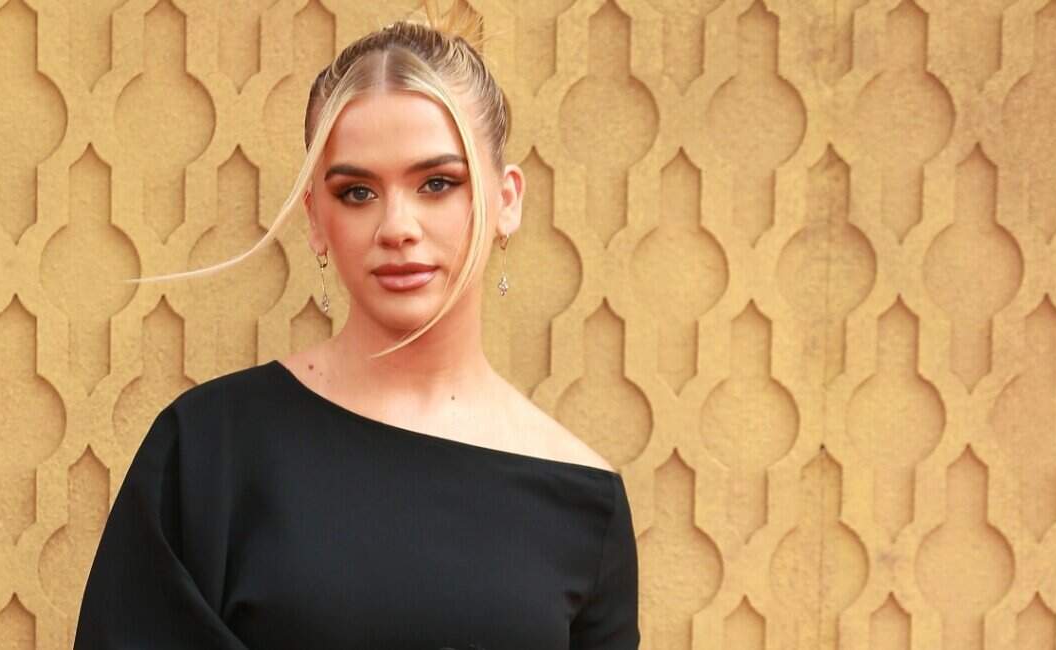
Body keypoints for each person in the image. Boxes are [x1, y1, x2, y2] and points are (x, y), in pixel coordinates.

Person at [73, 2, 639, 647]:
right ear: (316, 217)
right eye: (358, 192)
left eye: (437, 183)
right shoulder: (208, 449)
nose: (397, 227)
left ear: (505, 200)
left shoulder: (583, 499)